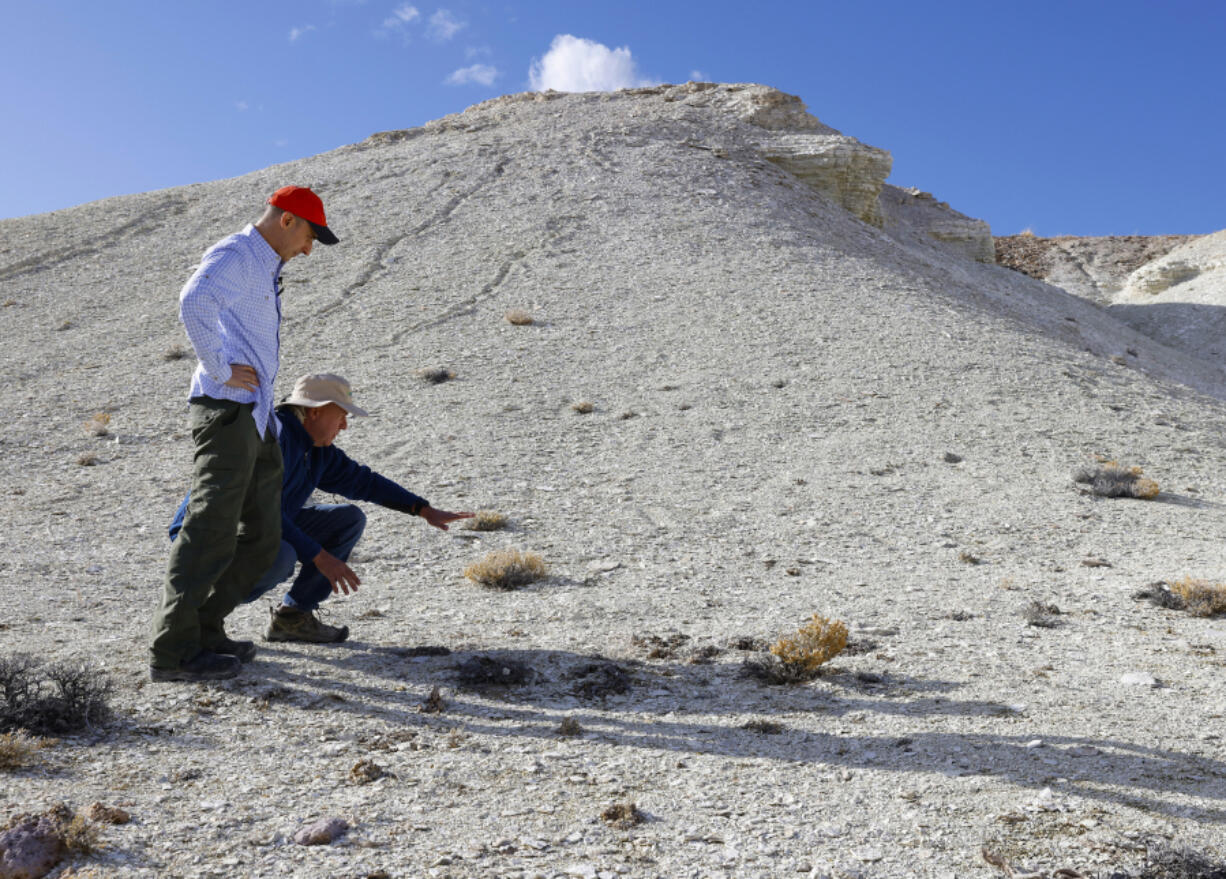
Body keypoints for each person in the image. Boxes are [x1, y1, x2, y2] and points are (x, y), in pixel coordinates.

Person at [150, 187, 340, 683]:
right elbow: (193, 302)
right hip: (227, 412)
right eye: (308, 236)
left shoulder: (264, 266)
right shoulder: (237, 253)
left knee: (262, 537)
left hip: (255, 419)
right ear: (286, 221)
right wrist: (219, 368)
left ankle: (207, 629)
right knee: (211, 528)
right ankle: (174, 651)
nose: (308, 249)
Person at [169, 373, 473, 644]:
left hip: (264, 523)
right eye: (341, 415)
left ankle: (291, 619)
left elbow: (362, 481)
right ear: (314, 412)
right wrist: (319, 556)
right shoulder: (273, 438)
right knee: (281, 555)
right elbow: (260, 511)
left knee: (347, 520)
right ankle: (200, 618)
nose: (344, 426)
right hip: (209, 530)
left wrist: (422, 509)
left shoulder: (316, 449)